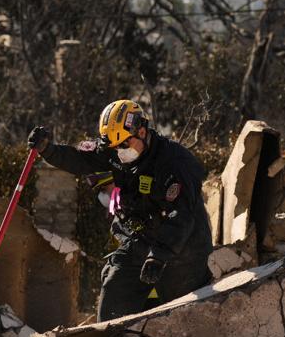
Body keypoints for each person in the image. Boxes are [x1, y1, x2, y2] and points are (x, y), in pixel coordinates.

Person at [29, 99, 213, 321]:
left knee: (183, 317)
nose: (119, 152)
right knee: (114, 291)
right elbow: (80, 159)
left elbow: (181, 216)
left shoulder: (175, 162)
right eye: (114, 147)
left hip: (184, 248)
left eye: (124, 145)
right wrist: (48, 150)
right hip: (143, 240)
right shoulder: (113, 149)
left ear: (142, 131)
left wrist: (158, 257)